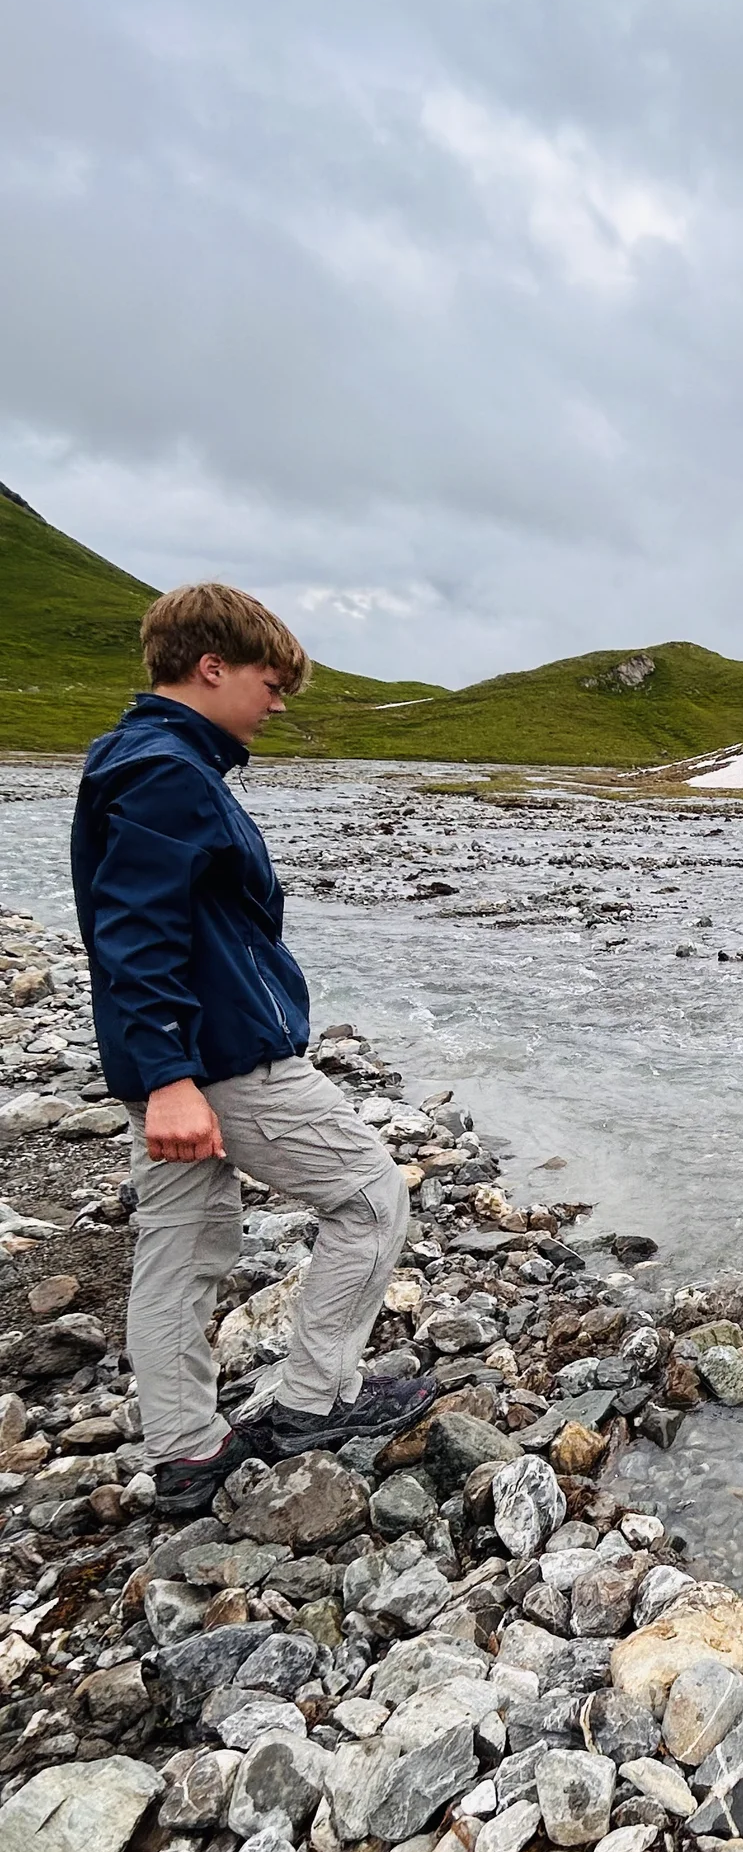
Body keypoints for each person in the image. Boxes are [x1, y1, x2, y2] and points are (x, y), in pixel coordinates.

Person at [72, 584, 432, 1518]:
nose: (278, 705)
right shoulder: (167, 773)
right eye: (273, 685)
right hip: (221, 1061)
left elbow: (143, 927)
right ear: (212, 667)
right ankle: (315, 1400)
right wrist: (171, 1080)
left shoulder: (141, 758)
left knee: (185, 1243)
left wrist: (157, 1072)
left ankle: (189, 1453)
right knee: (371, 1200)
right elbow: (135, 935)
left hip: (185, 1059)